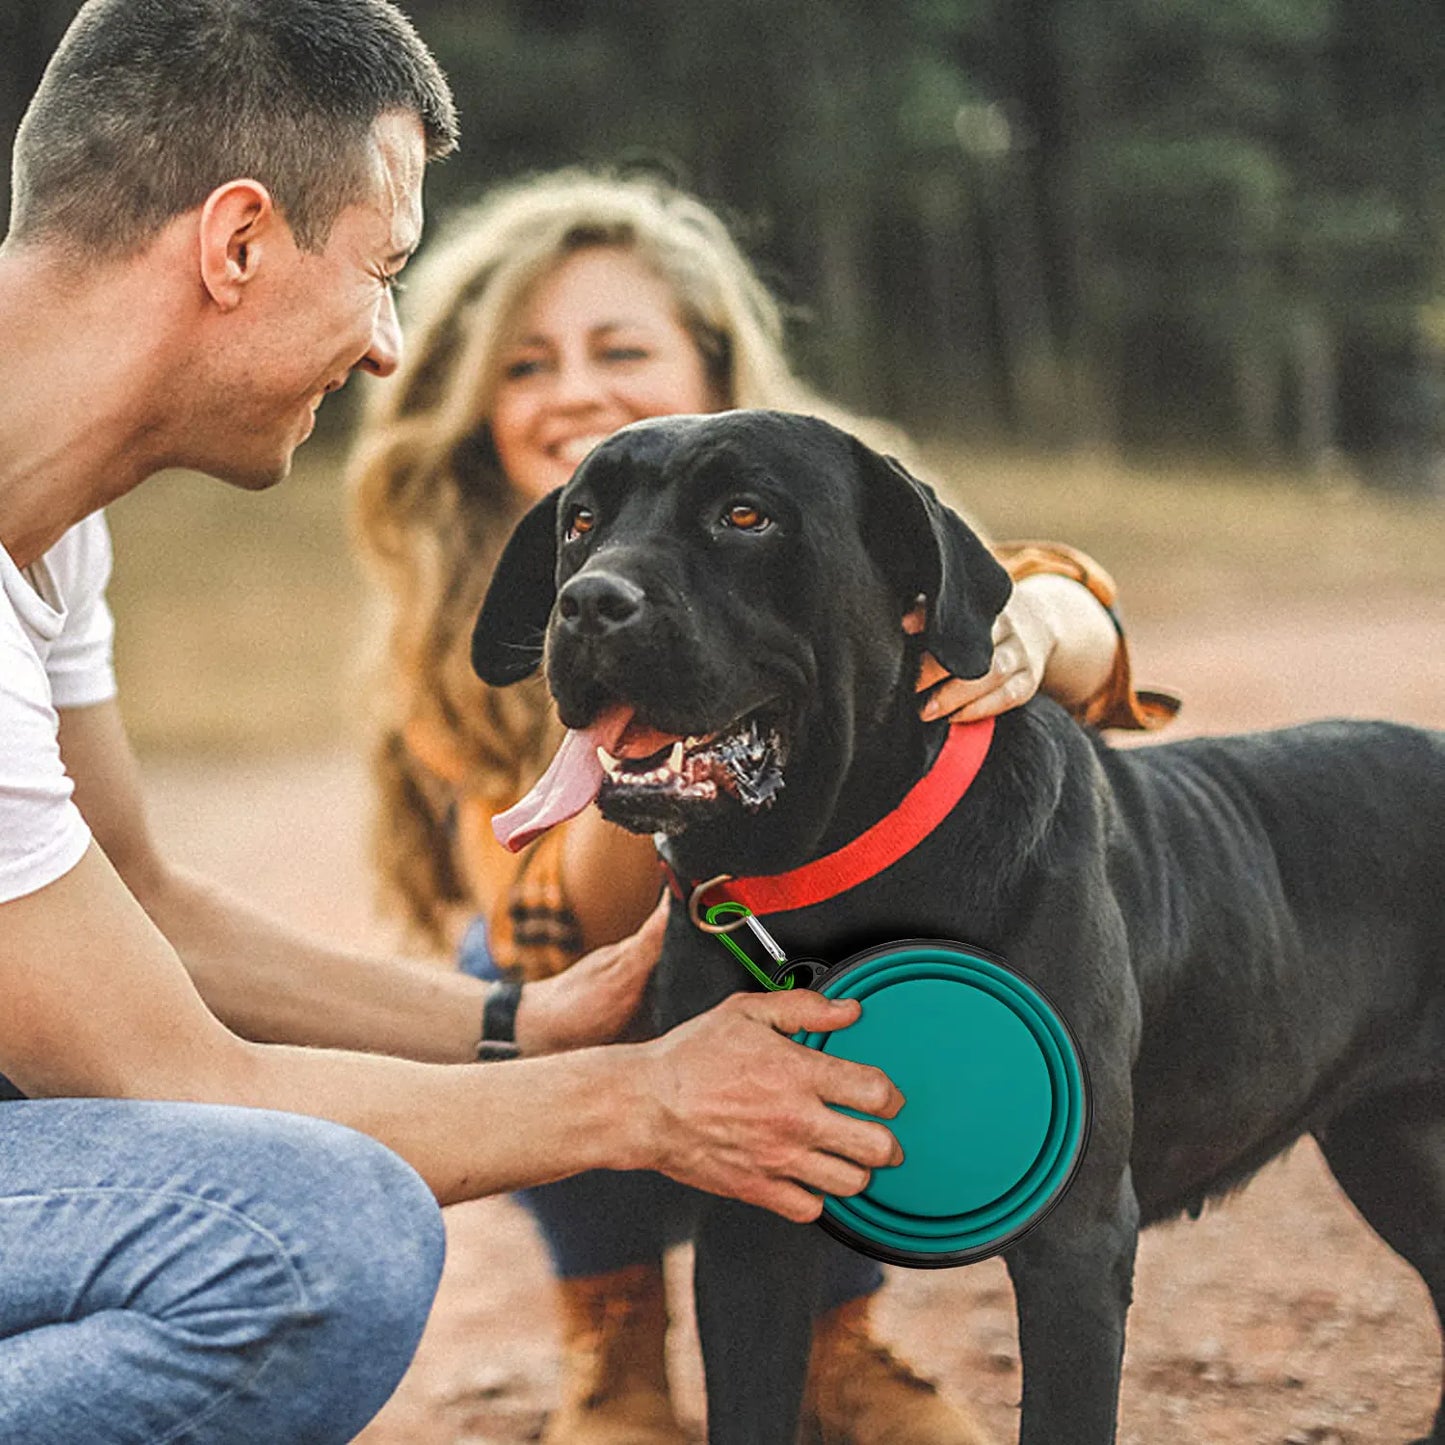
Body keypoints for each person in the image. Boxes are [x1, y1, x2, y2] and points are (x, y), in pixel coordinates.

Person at [0, 5, 915, 1442]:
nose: (384, 347)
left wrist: (516, 1021)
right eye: (384, 271)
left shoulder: (54, 527)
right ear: (236, 243)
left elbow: (145, 902)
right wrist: (645, 1099)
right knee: (314, 1237)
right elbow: (180, 1079)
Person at [349, 168, 1178, 1445]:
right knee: (533, 963)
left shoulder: (812, 501)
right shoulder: (470, 608)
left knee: (849, 921)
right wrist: (658, 758)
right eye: (525, 363)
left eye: (619, 347)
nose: (573, 387)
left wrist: (1048, 617)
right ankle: (617, 1338)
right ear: (471, 406)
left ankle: (828, 1344)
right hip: (608, 969)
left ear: (713, 358)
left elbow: (1010, 596)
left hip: (826, 936)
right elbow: (533, 905)